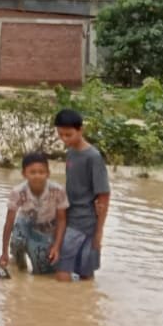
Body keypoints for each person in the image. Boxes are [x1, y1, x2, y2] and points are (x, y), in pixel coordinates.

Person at [54, 108, 111, 281]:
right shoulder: (71, 152)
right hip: (71, 216)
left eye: (68, 135)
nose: (64, 139)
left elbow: (104, 195)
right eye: (61, 134)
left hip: (84, 221)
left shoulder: (93, 157)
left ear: (81, 130)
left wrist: (99, 232)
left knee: (62, 269)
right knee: (84, 272)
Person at [0, 151, 68, 276]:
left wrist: (56, 246)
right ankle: (18, 262)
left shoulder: (58, 190)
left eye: (41, 172)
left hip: (46, 230)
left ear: (48, 173)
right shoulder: (18, 192)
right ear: (24, 174)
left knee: (42, 273)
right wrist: (4, 252)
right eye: (32, 172)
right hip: (25, 225)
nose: (37, 176)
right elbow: (9, 222)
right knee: (18, 239)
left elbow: (62, 220)